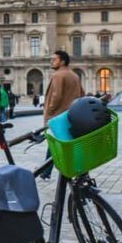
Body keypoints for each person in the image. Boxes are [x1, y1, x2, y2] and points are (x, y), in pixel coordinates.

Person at [43, 50, 84, 180]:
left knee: (53, 143)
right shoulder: (74, 75)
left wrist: (49, 110)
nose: (51, 61)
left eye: (54, 59)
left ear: (63, 61)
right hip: (71, 116)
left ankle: (46, 172)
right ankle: (81, 173)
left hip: (57, 116)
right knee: (65, 144)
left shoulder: (58, 75)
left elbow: (57, 95)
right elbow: (82, 93)